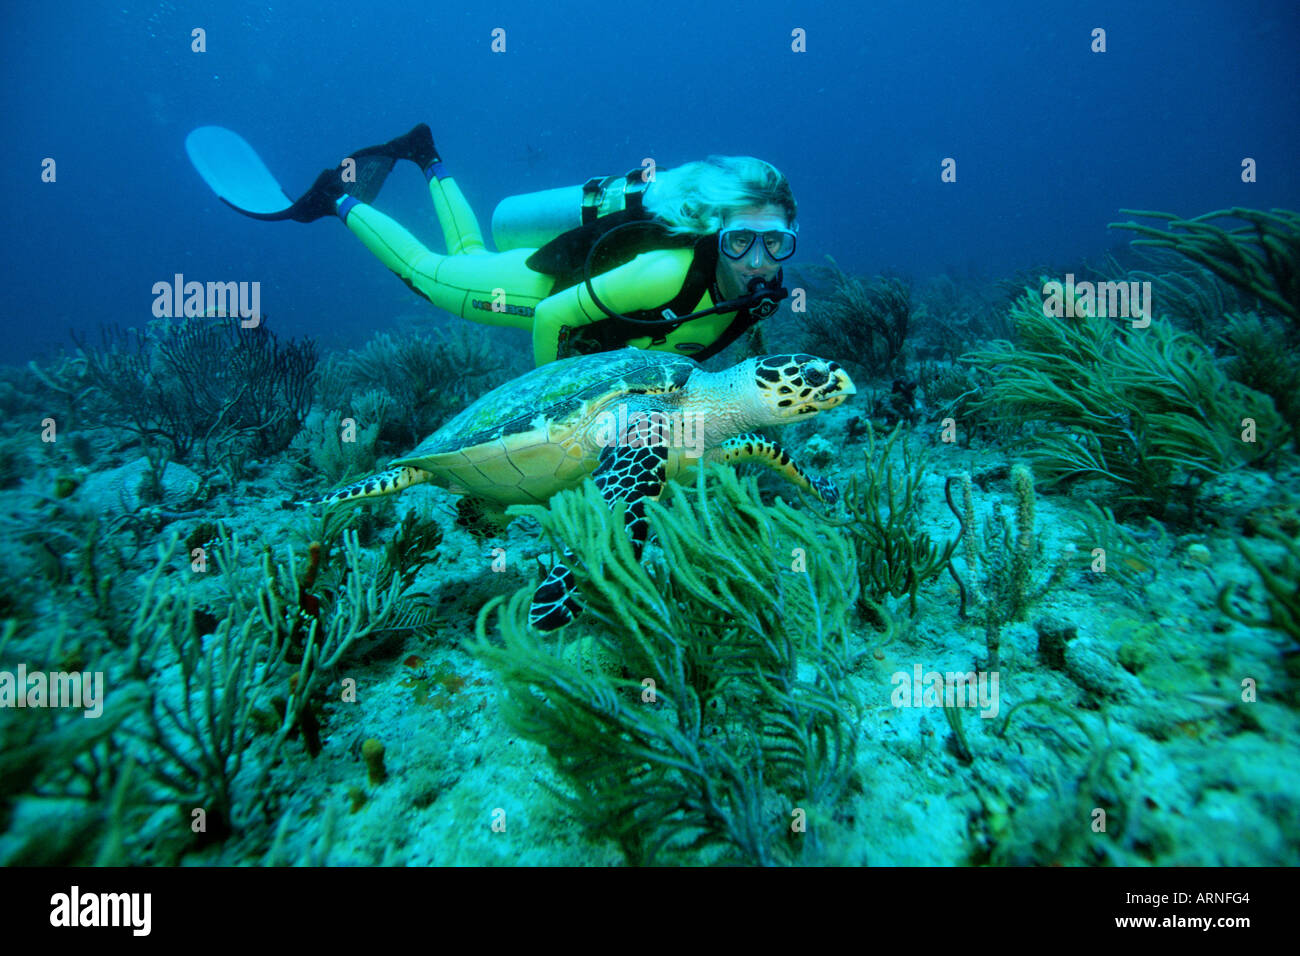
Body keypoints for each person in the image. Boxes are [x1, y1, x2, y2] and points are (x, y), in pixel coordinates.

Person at [200, 124, 799, 366]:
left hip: (543, 274)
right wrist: (552, 404)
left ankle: (423, 153)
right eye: (741, 240)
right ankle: (334, 197)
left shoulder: (762, 292)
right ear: (715, 235)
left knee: (468, 257)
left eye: (776, 244)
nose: (757, 261)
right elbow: (551, 314)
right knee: (434, 277)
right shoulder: (665, 273)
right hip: (533, 290)